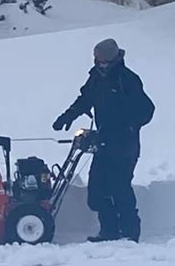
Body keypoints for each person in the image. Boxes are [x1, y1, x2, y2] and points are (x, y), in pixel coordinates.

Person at [52, 38, 155, 243]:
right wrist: (68, 116)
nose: (98, 61)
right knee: (98, 189)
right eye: (96, 58)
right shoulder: (96, 77)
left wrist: (128, 127)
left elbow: (147, 110)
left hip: (125, 145)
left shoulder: (126, 79)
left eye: (101, 58)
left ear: (112, 57)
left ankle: (129, 233)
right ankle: (109, 231)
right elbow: (85, 99)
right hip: (103, 142)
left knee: (120, 187)